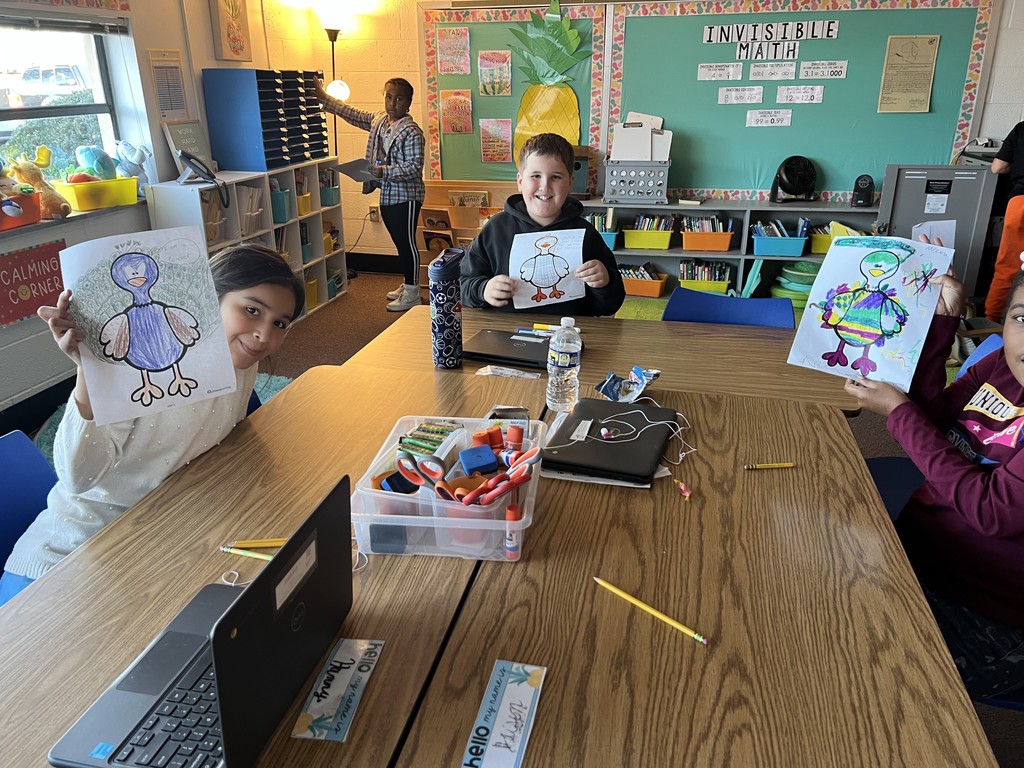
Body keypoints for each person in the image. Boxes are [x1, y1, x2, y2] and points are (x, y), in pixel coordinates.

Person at [0, 244, 305, 606]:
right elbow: (78, 478)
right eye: (251, 310)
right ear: (208, 299)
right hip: (66, 558)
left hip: (153, 539)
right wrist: (90, 374)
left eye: (280, 324)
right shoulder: (131, 372)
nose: (263, 335)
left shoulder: (241, 364)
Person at [844, 266, 1024, 697]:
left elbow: (991, 511)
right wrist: (943, 320)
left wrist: (897, 412)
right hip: (918, 556)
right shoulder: (1002, 364)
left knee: (857, 666)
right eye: (1023, 318)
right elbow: (933, 421)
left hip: (986, 615)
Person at [460, 133, 625, 316]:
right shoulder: (495, 230)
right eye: (536, 176)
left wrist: (605, 282)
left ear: (570, 183)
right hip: (509, 334)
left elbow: (611, 305)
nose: (544, 187)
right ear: (520, 182)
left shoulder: (586, 234)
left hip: (568, 336)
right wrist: (483, 289)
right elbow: (461, 285)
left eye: (556, 177)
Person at [314, 77, 425, 312]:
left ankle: (414, 292)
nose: (392, 103)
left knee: (406, 244)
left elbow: (414, 167)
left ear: (409, 103)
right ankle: (408, 283)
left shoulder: (411, 131)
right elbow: (354, 114)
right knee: (398, 242)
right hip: (388, 193)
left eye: (399, 98)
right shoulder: (379, 121)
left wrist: (382, 171)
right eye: (388, 97)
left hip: (406, 195)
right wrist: (326, 100)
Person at [985, 121, 1024, 322]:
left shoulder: (1022, 128)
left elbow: (997, 167)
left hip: (1020, 202)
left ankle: (990, 322)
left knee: (1008, 266)